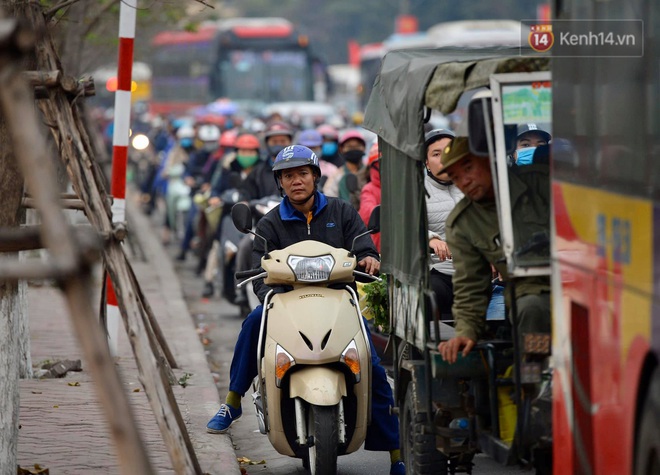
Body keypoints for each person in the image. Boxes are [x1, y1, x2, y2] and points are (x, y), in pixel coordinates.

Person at [206, 145, 405, 475]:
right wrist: (272, 291)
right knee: (255, 321)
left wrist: (370, 258)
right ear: (279, 183)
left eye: (302, 173)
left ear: (315, 176)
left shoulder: (341, 212)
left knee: (372, 364)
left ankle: (397, 455)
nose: (296, 181)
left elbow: (364, 247)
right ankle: (231, 402)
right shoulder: (270, 224)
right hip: (287, 302)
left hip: (340, 300)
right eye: (288, 176)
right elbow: (259, 271)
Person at [437, 137, 551, 364]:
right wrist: (466, 331)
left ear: (488, 160)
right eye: (456, 177)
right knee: (531, 310)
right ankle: (537, 376)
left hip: (581, 277)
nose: (464, 181)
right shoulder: (463, 223)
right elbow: (470, 284)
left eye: (468, 168)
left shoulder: (540, 183)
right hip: (530, 291)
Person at [423, 129, 463, 319]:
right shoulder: (416, 189)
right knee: (430, 294)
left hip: (477, 272)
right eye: (436, 154)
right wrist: (430, 239)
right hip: (439, 272)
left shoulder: (473, 183)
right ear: (426, 163)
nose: (444, 159)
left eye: (449, 151)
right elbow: (406, 227)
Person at [323, 129, 367, 209]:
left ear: (364, 148)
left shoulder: (370, 173)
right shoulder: (337, 175)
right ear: (341, 149)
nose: (353, 149)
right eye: (349, 146)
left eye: (357, 146)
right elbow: (329, 198)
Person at [358, 141, 382, 252]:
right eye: (381, 164)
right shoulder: (369, 189)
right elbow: (367, 213)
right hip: (379, 249)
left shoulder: (402, 187)